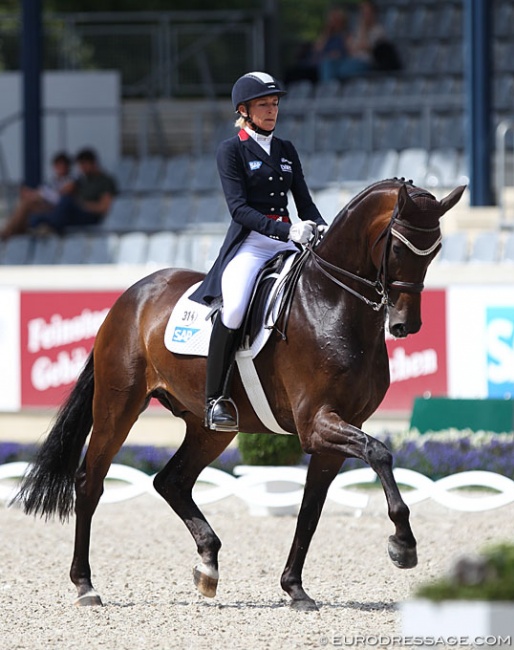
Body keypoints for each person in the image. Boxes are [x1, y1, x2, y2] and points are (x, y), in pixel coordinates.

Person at [190, 71, 328, 431]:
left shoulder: (285, 150)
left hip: (287, 240)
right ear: (244, 110)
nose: (271, 110)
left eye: (275, 103)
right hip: (252, 243)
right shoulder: (231, 150)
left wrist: (322, 227)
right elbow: (239, 210)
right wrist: (287, 229)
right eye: (263, 104)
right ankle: (215, 399)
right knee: (234, 307)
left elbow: (305, 203)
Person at [28, 148, 118, 235]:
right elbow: (63, 192)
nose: (81, 168)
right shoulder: (82, 181)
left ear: (92, 163)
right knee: (40, 207)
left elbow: (104, 207)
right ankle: (36, 225)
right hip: (74, 212)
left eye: (83, 164)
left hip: (90, 217)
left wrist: (82, 205)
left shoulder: (105, 181)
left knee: (66, 201)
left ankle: (49, 227)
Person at [0, 151, 74, 239]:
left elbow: (59, 197)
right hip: (46, 205)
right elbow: (45, 192)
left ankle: (8, 231)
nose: (60, 168)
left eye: (63, 165)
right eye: (58, 165)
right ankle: (15, 229)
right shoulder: (53, 181)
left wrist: (39, 194)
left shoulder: (71, 180)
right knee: (25, 202)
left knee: (27, 204)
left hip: (56, 208)